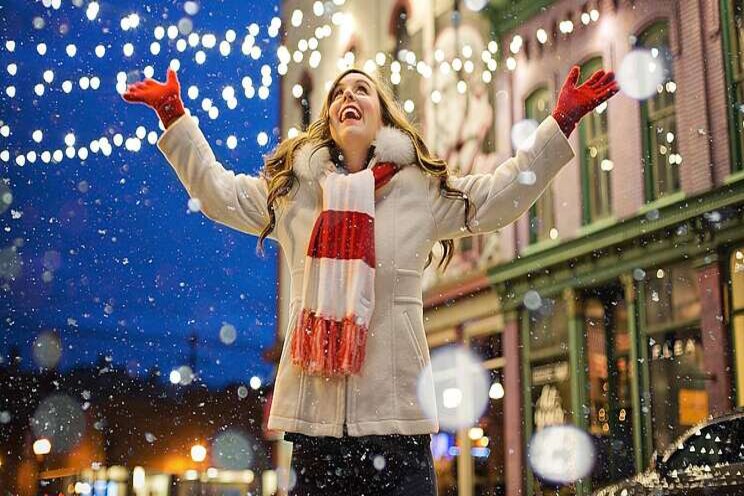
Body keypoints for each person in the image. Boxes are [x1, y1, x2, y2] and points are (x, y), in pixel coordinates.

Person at [123, 64, 619, 495]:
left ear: (383, 116)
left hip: (397, 423)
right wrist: (174, 116)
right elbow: (218, 193)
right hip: (317, 430)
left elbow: (496, 196)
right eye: (338, 94)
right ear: (328, 123)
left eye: (361, 90)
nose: (347, 97)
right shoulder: (297, 196)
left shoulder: (420, 191)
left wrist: (561, 123)